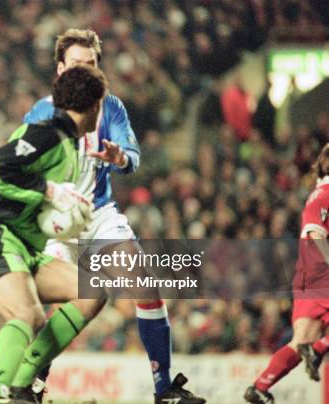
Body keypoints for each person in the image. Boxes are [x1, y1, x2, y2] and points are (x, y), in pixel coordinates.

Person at [24, 28, 205, 404]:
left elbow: (132, 156)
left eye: (90, 65)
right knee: (63, 301)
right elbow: (21, 166)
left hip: (98, 215)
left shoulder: (113, 107)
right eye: (76, 64)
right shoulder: (43, 111)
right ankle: (31, 385)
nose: (84, 73)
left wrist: (119, 158)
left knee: (146, 287)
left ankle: (164, 390)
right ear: (60, 68)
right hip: (55, 222)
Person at [0, 65, 109, 403]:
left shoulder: (70, 145)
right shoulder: (47, 133)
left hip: (20, 244)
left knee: (91, 292)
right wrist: (50, 192)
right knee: (27, 315)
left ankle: (22, 388)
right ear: (95, 105)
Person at [245, 143, 329, 404]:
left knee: (301, 340)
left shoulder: (319, 192)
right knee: (311, 344)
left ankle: (260, 387)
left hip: (308, 274)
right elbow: (316, 235)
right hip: (320, 272)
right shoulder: (326, 194)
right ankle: (318, 350)